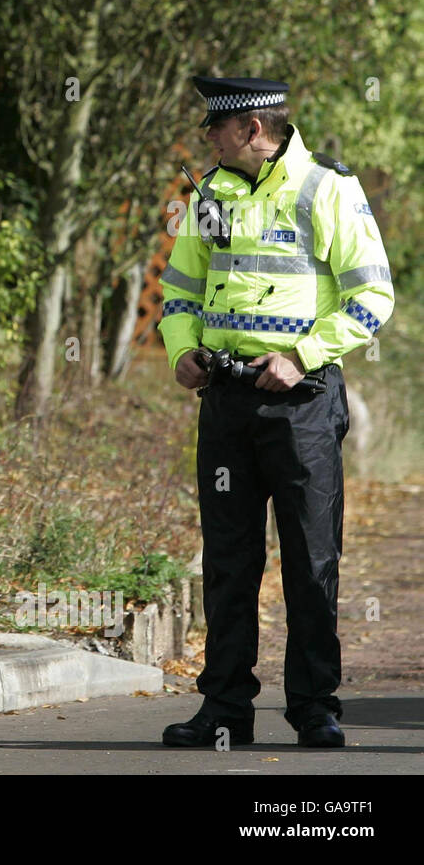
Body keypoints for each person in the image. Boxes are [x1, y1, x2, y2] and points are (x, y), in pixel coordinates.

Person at [158, 76, 394, 748]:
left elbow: (373, 297)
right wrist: (181, 352)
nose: (208, 135)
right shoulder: (212, 193)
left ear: (254, 130)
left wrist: (303, 353)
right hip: (227, 404)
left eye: (217, 125)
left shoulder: (327, 188)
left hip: (302, 406)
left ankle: (315, 705)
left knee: (310, 558)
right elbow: (179, 291)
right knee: (230, 561)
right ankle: (225, 707)